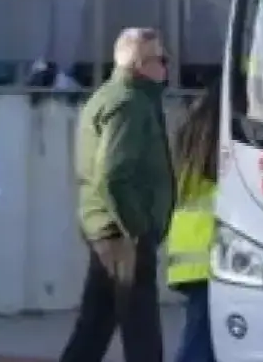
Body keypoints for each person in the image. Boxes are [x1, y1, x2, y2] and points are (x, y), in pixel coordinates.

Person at [59, 28, 176, 362]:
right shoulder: (129, 103)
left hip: (107, 228)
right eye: (161, 59)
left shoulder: (112, 96)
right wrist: (138, 228)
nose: (166, 67)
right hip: (123, 233)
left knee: (95, 326)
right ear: (140, 64)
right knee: (141, 329)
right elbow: (113, 174)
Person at [166, 82, 222, 362]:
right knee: (200, 344)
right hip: (210, 253)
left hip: (189, 255)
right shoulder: (218, 145)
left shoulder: (191, 136)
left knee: (201, 336)